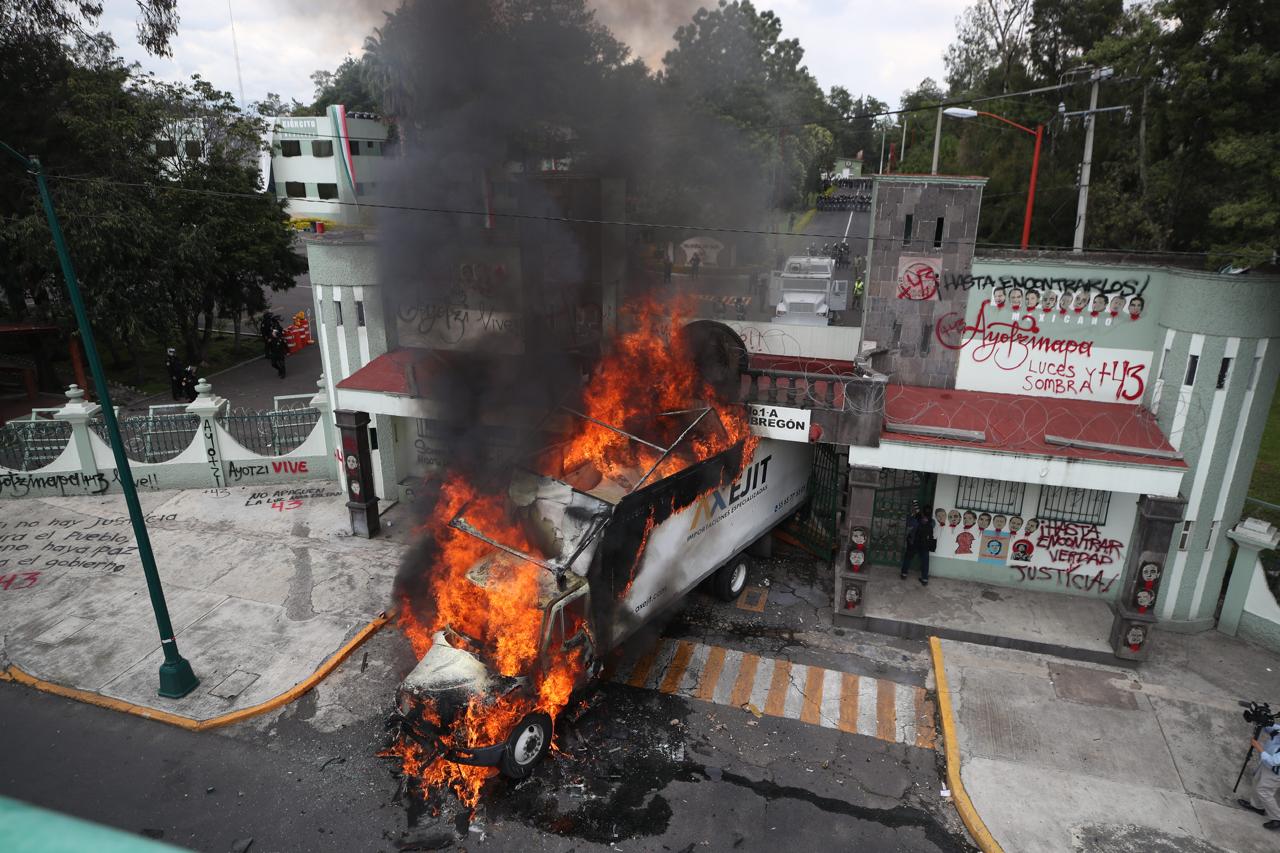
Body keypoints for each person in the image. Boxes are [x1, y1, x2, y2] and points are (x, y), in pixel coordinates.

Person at [1239, 721, 1280, 830]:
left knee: (1264, 791)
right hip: (1266, 765)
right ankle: (1257, 807)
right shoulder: (1279, 729)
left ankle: (1277, 818)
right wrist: (1261, 719)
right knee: (1257, 780)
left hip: (1275, 773)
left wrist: (1258, 746)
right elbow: (1269, 727)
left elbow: (1273, 761)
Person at [901, 504, 934, 585]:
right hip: (925, 544)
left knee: (908, 558)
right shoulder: (932, 522)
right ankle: (924, 579)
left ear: (922, 512)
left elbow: (908, 523)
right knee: (925, 562)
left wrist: (913, 515)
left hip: (914, 543)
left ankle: (904, 574)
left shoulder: (916, 520)